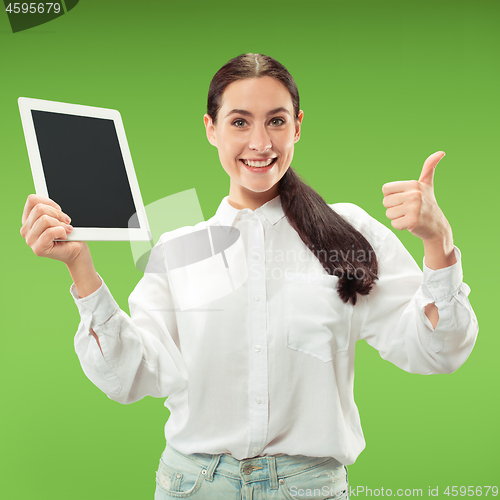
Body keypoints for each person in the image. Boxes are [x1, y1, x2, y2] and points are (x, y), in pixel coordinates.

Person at [20, 53, 478, 500]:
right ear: (211, 128)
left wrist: (437, 243)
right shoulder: (179, 248)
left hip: (308, 488)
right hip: (193, 486)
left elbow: (437, 351)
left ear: (297, 125)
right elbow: (130, 376)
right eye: (240, 122)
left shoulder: (348, 233)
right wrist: (81, 267)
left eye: (276, 121)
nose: (261, 143)